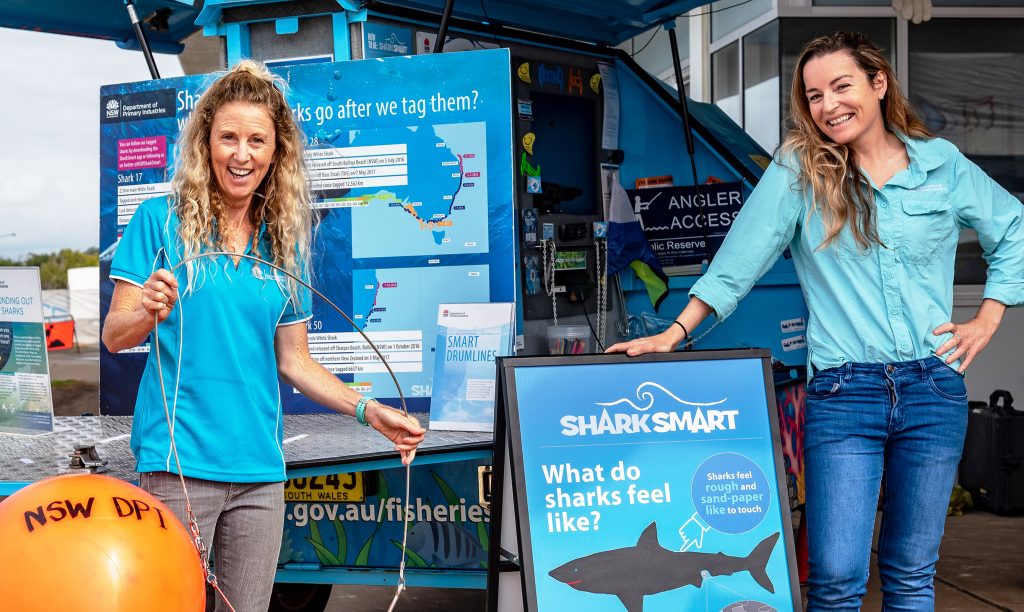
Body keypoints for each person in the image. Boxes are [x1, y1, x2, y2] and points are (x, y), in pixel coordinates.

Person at [607, 31, 1023, 610]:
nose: (828, 105)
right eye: (814, 95)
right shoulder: (800, 169)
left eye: (841, 86)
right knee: (837, 577)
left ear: (878, 84)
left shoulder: (940, 164)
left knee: (911, 574)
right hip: (846, 393)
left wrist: (987, 319)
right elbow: (738, 260)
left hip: (934, 388)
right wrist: (675, 333)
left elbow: (1013, 227)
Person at [101, 61, 426, 612]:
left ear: (277, 152)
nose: (241, 154)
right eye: (228, 137)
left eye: (257, 140)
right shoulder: (159, 220)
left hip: (259, 474)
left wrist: (370, 411)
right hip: (178, 466)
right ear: (207, 141)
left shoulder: (283, 244)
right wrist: (148, 310)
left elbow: (296, 362)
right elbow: (114, 334)